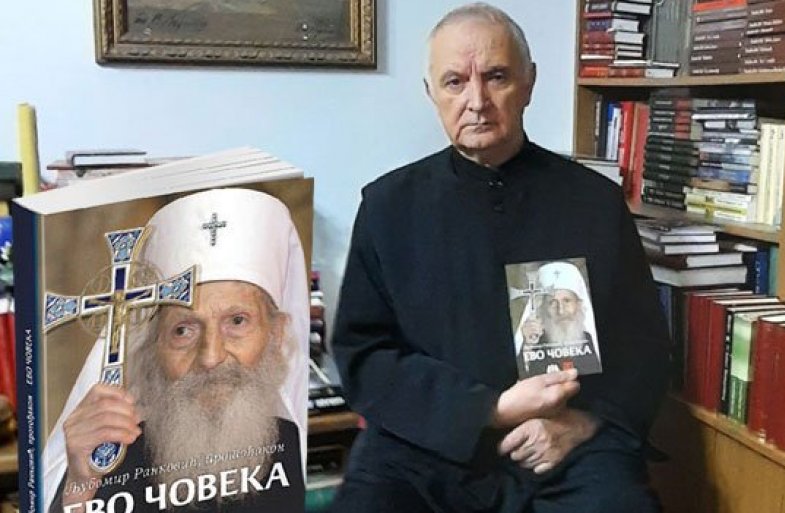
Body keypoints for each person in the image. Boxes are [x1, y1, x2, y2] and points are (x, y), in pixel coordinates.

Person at [330, 3, 671, 513]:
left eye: (496, 77)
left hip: (564, 443)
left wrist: (582, 424)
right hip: (423, 447)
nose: (477, 101)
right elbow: (365, 354)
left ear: (529, 83)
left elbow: (642, 347)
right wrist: (487, 409)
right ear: (431, 93)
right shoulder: (387, 206)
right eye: (454, 82)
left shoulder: (594, 202)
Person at [43, 188, 310, 513]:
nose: (211, 357)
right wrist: (79, 489)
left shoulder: (296, 448)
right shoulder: (110, 459)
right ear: (153, 345)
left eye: (237, 321)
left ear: (276, 334)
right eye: (183, 330)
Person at [516, 261, 601, 377]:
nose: (561, 311)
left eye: (567, 301)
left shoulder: (590, 340)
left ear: (579, 305)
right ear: (543, 308)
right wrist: (528, 347)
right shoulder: (533, 345)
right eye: (552, 302)